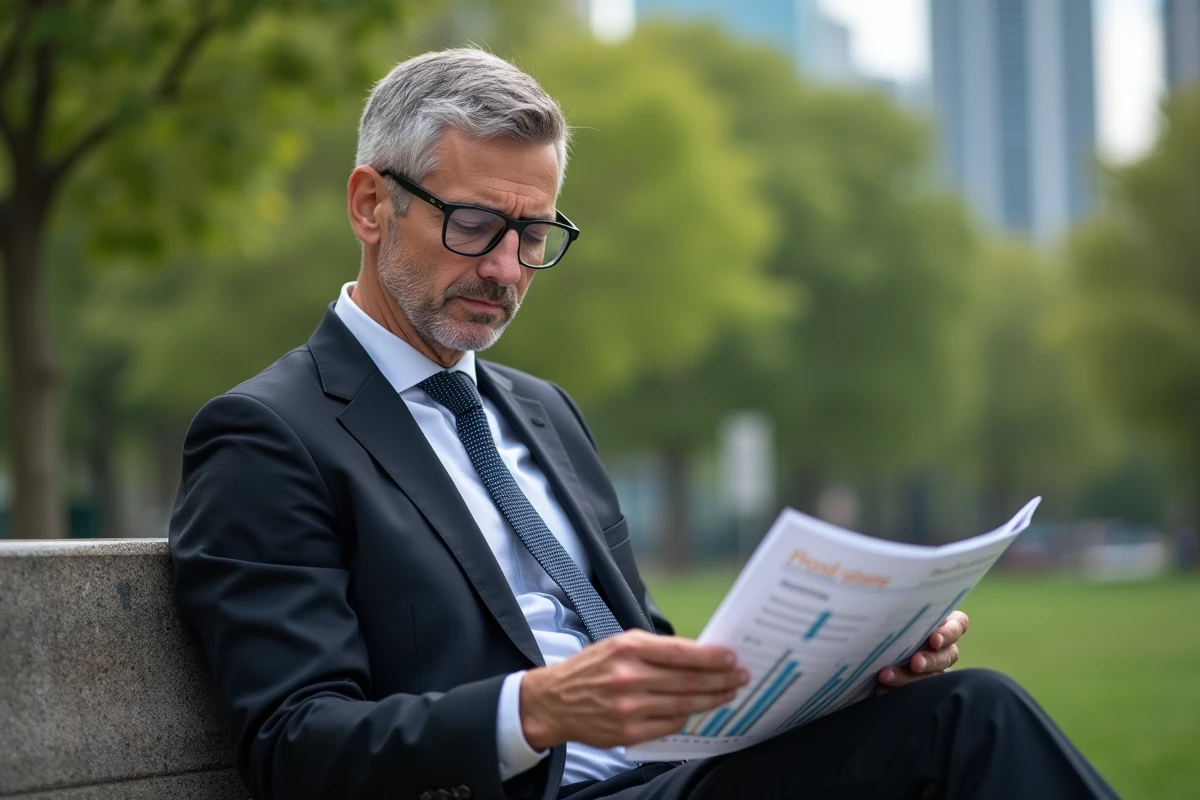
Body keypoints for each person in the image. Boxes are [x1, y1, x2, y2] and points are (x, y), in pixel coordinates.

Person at [169, 48, 1117, 800]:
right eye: (473, 225)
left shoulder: (540, 411)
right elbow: (293, 745)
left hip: (676, 777)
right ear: (371, 204)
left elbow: (645, 656)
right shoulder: (268, 435)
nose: (505, 269)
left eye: (533, 235)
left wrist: (849, 674)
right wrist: (532, 709)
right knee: (970, 729)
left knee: (954, 709)